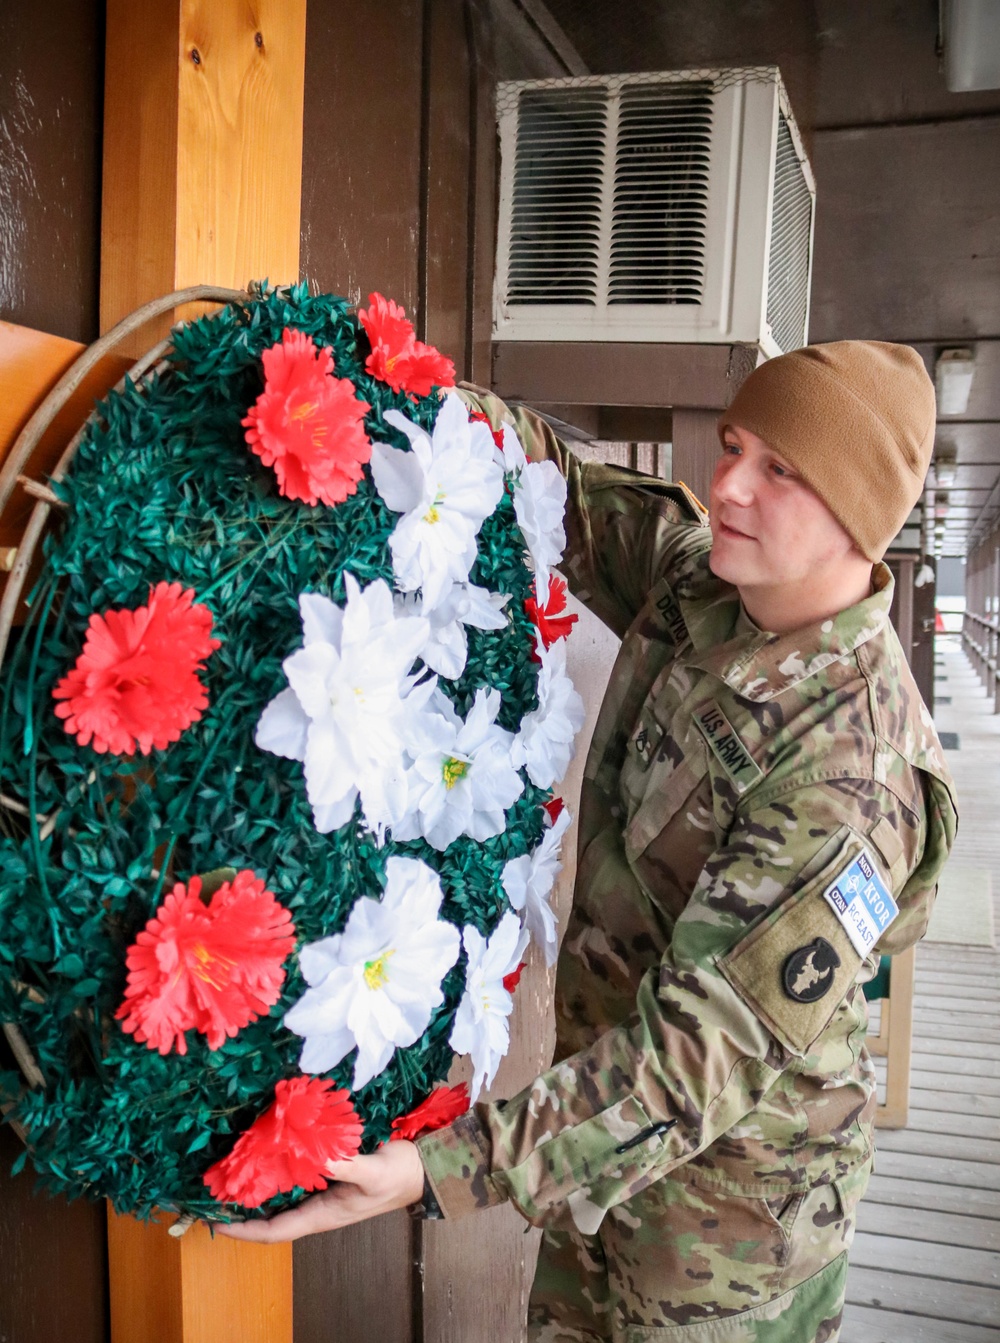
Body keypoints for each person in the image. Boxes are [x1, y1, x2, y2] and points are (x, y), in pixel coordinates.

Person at [221, 341, 957, 1343]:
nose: (728, 482)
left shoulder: (849, 776)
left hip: (723, 1243)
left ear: (858, 513)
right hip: (594, 1154)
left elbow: (695, 1061)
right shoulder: (701, 578)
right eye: (736, 444)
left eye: (781, 469)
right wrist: (372, 376)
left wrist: (438, 1168)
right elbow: (547, 482)